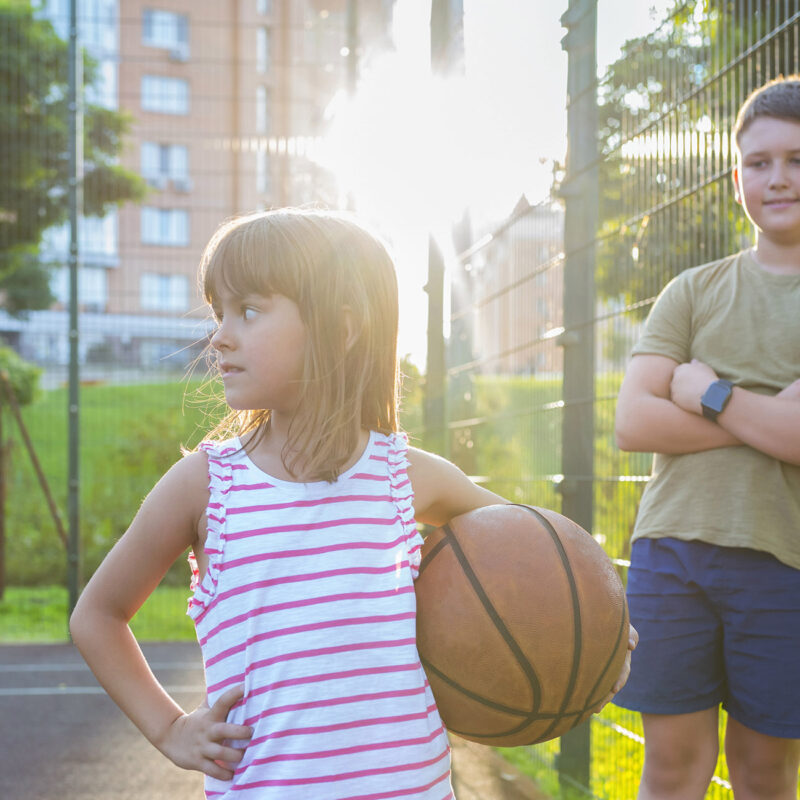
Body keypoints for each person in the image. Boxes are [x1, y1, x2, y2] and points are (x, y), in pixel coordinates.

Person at [70, 208, 633, 800]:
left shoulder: (404, 476)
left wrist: (604, 629)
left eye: (250, 311)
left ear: (341, 329)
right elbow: (98, 615)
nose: (220, 336)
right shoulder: (206, 485)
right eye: (219, 313)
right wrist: (169, 729)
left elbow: (537, 559)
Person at [613, 75, 800, 800]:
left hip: (783, 560)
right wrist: (764, 421)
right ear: (737, 176)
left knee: (764, 773)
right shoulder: (691, 291)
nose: (778, 178)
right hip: (671, 553)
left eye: (796, 160)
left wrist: (709, 395)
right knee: (671, 768)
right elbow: (634, 421)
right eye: (759, 162)